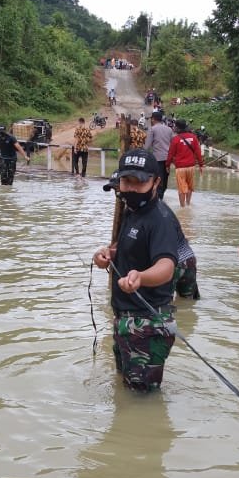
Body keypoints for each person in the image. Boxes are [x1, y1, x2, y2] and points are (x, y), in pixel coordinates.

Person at [93, 149, 179, 391]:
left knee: (142, 400)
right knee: (126, 392)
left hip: (148, 322)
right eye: (126, 181)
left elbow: (166, 266)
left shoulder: (160, 219)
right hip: (126, 319)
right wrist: (107, 254)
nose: (130, 189)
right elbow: (129, 247)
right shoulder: (133, 212)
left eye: (139, 182)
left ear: (156, 182)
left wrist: (141, 277)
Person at [104, 171, 199, 300]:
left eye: (118, 189)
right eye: (117, 190)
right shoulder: (134, 211)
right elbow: (127, 241)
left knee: (166, 304)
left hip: (179, 263)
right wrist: (109, 253)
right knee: (185, 306)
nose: (119, 194)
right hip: (180, 261)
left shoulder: (155, 214)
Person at [167, 119, 204, 207]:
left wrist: (167, 165)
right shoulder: (193, 137)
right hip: (191, 166)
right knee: (190, 187)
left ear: (177, 128)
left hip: (180, 168)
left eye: (175, 126)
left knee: (181, 188)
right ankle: (188, 204)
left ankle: (182, 208)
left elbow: (170, 154)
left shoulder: (175, 139)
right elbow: (198, 152)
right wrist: (201, 165)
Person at [144, 110, 174, 199]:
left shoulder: (152, 129)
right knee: (165, 179)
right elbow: (172, 143)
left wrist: (143, 153)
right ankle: (161, 196)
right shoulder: (169, 129)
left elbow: (147, 145)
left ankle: (158, 198)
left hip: (157, 159)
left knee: (158, 179)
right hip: (168, 159)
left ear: (153, 119)